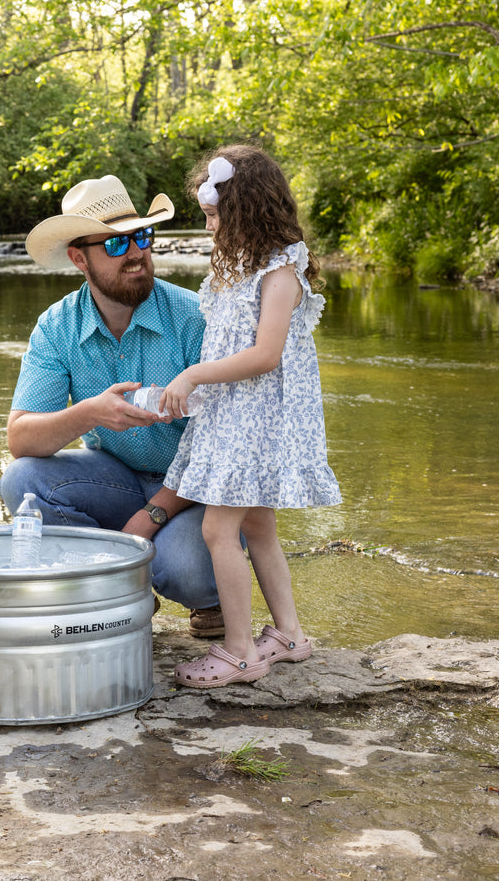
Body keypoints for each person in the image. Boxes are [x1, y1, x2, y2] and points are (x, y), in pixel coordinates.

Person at [0, 174, 223, 631]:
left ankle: (190, 594)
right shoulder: (57, 326)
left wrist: (151, 515)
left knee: (189, 573)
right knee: (21, 481)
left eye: (142, 236)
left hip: (195, 491)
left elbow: (222, 445)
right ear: (79, 258)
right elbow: (20, 439)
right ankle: (119, 585)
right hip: (114, 479)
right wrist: (88, 414)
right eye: (117, 245)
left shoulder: (196, 315)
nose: (137, 253)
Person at [162, 144, 341, 688]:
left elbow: (265, 355)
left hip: (260, 420)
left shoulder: (281, 270)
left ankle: (239, 652)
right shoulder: (235, 269)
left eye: (216, 215)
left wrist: (193, 375)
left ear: (248, 211)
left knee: (220, 528)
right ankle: (288, 635)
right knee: (259, 523)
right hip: (232, 414)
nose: (210, 227)